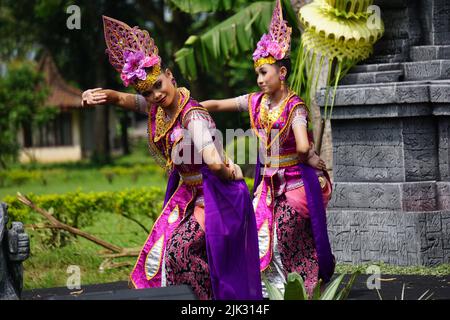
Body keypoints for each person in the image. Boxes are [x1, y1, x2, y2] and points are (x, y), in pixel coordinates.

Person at [81, 16, 262, 300]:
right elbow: (120, 99)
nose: (155, 94)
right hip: (187, 196)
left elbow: (214, 163)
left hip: (215, 196)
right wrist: (96, 94)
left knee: (180, 249)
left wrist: (234, 174)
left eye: (158, 85)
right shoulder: (160, 111)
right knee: (162, 252)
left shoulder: (193, 117)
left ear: (170, 76)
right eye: (147, 92)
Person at [200, 0, 335, 297]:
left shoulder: (294, 106)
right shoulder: (255, 102)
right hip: (268, 186)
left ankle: (301, 287)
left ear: (282, 73)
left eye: (265, 73)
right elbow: (218, 105)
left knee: (285, 234)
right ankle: (271, 291)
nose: (260, 79)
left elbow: (301, 146)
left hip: (295, 183)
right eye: (258, 74)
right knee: (262, 237)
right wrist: (193, 110)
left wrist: (309, 155)